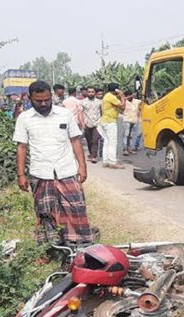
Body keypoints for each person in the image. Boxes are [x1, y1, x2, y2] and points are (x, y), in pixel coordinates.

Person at [13, 80, 93, 246]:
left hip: (66, 171)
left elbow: (75, 140)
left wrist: (82, 167)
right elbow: (21, 147)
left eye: (47, 99)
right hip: (41, 172)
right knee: (45, 212)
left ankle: (79, 245)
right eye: (39, 101)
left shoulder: (64, 114)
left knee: (76, 208)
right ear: (30, 98)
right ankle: (49, 248)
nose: (44, 103)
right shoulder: (24, 118)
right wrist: (21, 175)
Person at [100, 83, 126, 169]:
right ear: (116, 90)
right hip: (110, 121)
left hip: (105, 120)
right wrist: (122, 96)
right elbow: (122, 106)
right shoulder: (111, 97)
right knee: (112, 142)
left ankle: (106, 161)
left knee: (107, 142)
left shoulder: (107, 96)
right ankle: (112, 162)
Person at [81, 86, 102, 163]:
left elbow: (102, 112)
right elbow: (81, 112)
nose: (91, 93)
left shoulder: (100, 102)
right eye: (89, 92)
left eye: (92, 92)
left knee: (95, 140)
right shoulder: (83, 102)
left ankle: (94, 156)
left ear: (95, 93)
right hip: (87, 124)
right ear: (87, 93)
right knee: (89, 141)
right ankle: (91, 154)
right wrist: (82, 123)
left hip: (97, 124)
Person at [122, 91, 140, 155]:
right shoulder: (125, 101)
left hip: (134, 120)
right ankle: (125, 149)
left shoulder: (136, 101)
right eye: (128, 95)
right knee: (126, 135)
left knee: (131, 136)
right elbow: (123, 99)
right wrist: (130, 96)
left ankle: (129, 149)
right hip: (126, 120)